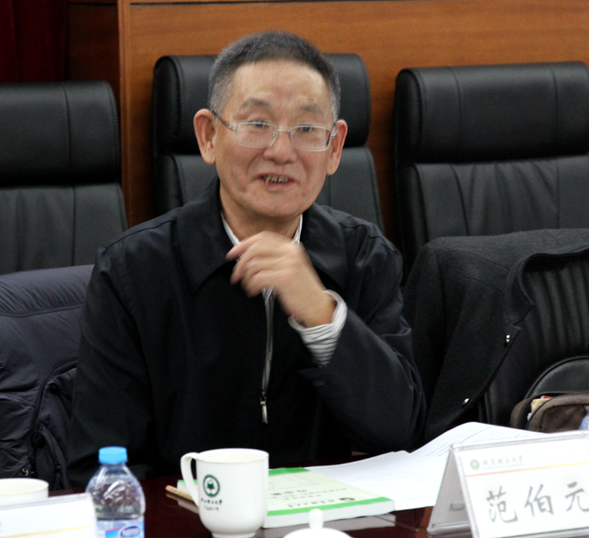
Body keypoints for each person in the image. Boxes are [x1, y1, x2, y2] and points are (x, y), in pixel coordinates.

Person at [67, 30, 426, 486]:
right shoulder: (133, 272)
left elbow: (401, 434)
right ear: (208, 136)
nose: (281, 151)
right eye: (258, 124)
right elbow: (100, 471)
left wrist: (323, 318)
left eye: (306, 130)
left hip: (325, 518)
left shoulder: (366, 258)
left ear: (334, 148)